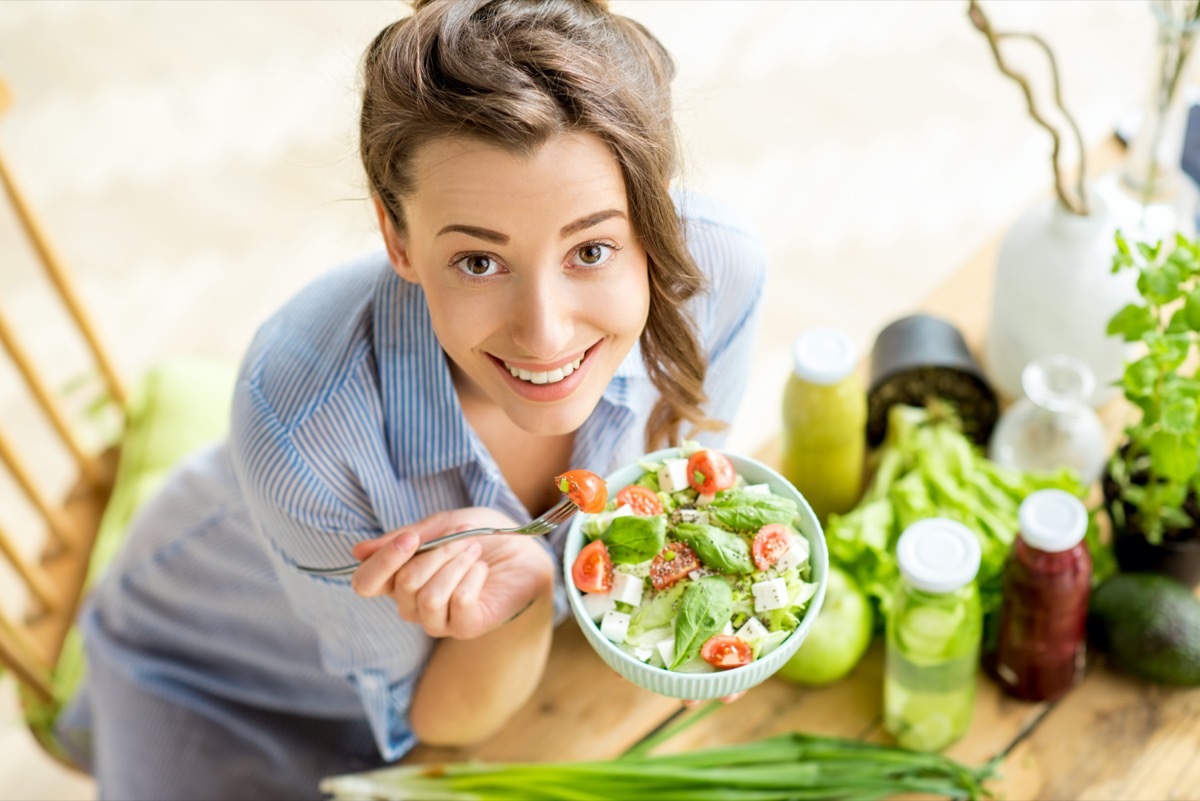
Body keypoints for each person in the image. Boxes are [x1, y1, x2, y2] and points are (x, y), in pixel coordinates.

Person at [56, 0, 767, 798]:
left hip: (485, 678)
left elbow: (681, 484)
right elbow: (437, 725)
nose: (544, 333)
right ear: (396, 236)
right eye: (476, 261)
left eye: (592, 249)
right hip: (220, 678)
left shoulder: (719, 276)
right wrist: (525, 597)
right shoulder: (302, 430)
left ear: (656, 211)